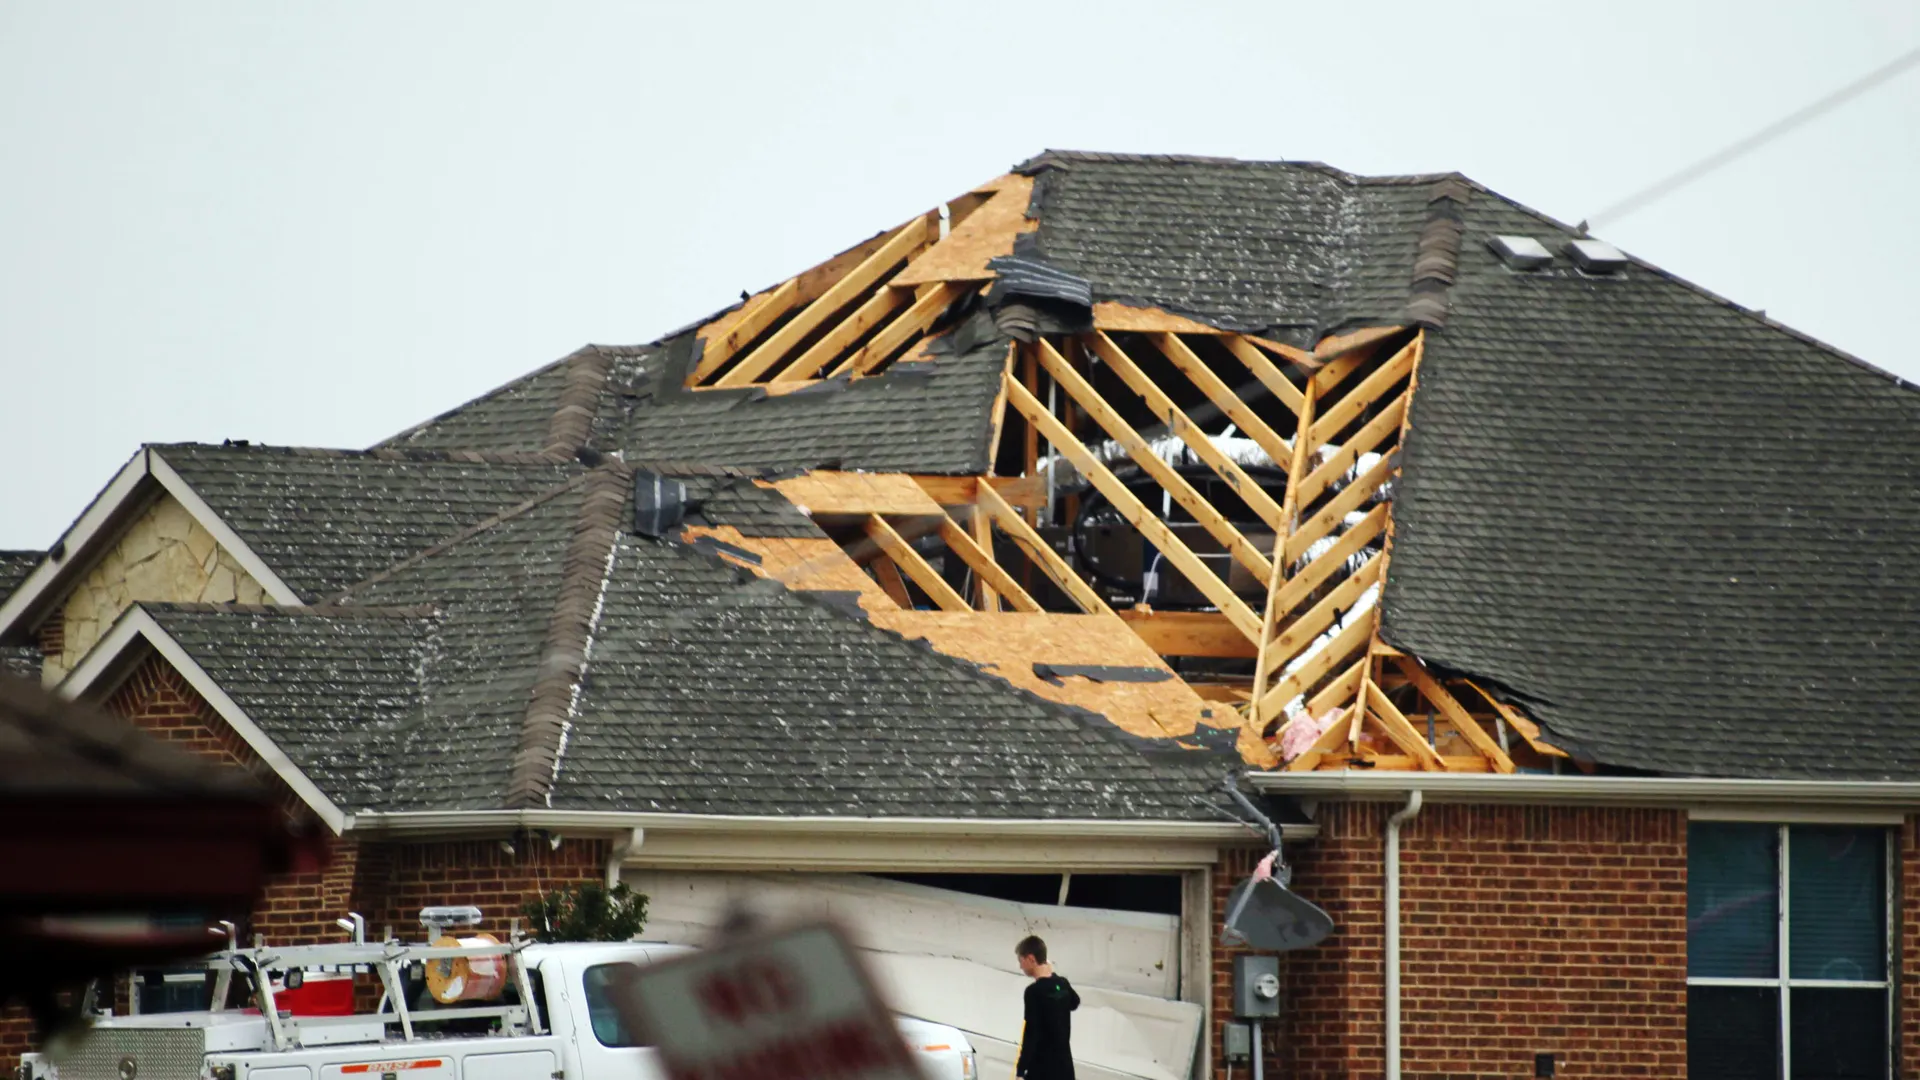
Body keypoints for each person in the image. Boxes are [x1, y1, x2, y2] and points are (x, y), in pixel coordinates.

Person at [1014, 934, 1080, 1080]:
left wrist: (1020, 1070)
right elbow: (1075, 1002)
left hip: (1042, 1069)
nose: (1020, 966)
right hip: (1065, 1068)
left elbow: (1031, 1033)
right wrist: (1054, 975)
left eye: (1021, 960)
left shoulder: (1033, 992)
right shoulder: (1062, 983)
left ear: (1031, 959)